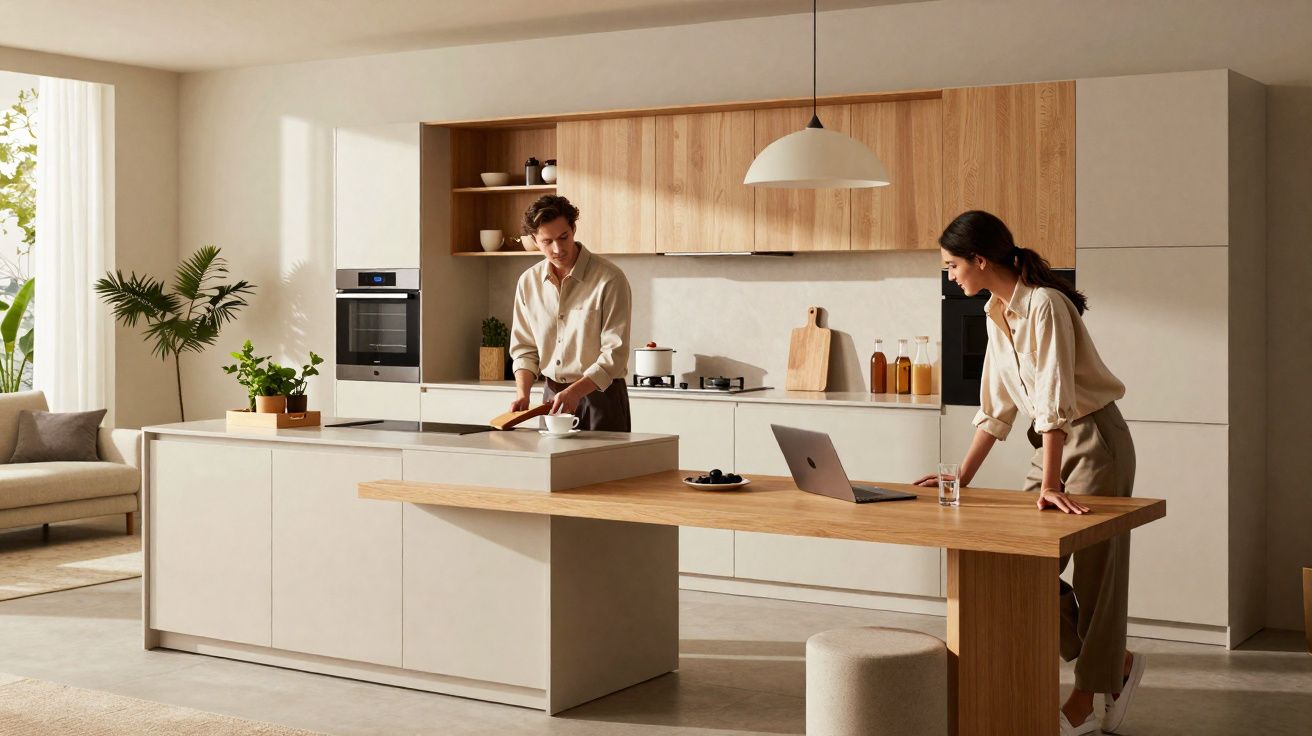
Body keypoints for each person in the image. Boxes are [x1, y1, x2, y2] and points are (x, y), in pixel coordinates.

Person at [914, 210, 1145, 736]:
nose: (950, 277)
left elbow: (1055, 399)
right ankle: (1117, 664)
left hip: (1093, 441)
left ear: (980, 259)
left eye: (953, 266)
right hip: (1052, 446)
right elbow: (997, 409)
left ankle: (1087, 695)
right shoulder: (998, 313)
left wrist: (1049, 484)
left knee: (1096, 575)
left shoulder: (1045, 305)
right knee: (1016, 565)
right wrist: (961, 478)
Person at [508, 195, 633, 431]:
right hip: (552, 399)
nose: (558, 248)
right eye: (547, 241)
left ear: (573, 229)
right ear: (534, 240)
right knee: (553, 468)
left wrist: (575, 391)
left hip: (602, 396)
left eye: (563, 237)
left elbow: (615, 354)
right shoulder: (528, 283)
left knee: (605, 469)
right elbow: (524, 347)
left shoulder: (609, 279)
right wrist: (522, 394)